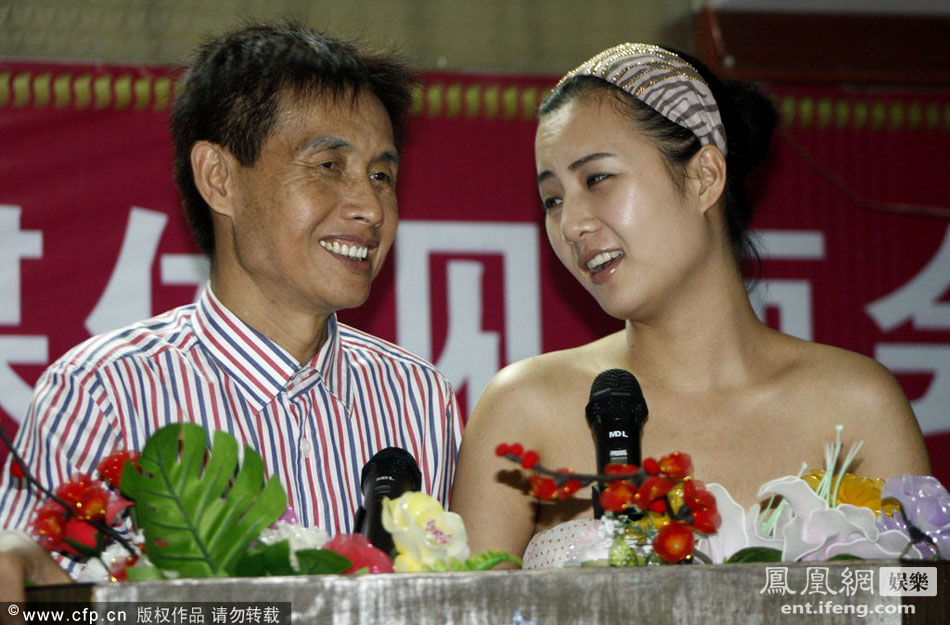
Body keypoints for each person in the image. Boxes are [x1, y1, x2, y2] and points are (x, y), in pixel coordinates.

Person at [0, 23, 462, 598]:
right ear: (218, 178)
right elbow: (33, 594)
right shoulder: (103, 394)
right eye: (328, 166)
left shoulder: (417, 397)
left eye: (381, 175)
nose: (371, 207)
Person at [450, 43, 930, 567]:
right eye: (553, 199)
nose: (572, 224)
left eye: (597, 179)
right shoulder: (524, 408)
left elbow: (918, 597)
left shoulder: (857, 406)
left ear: (705, 177)